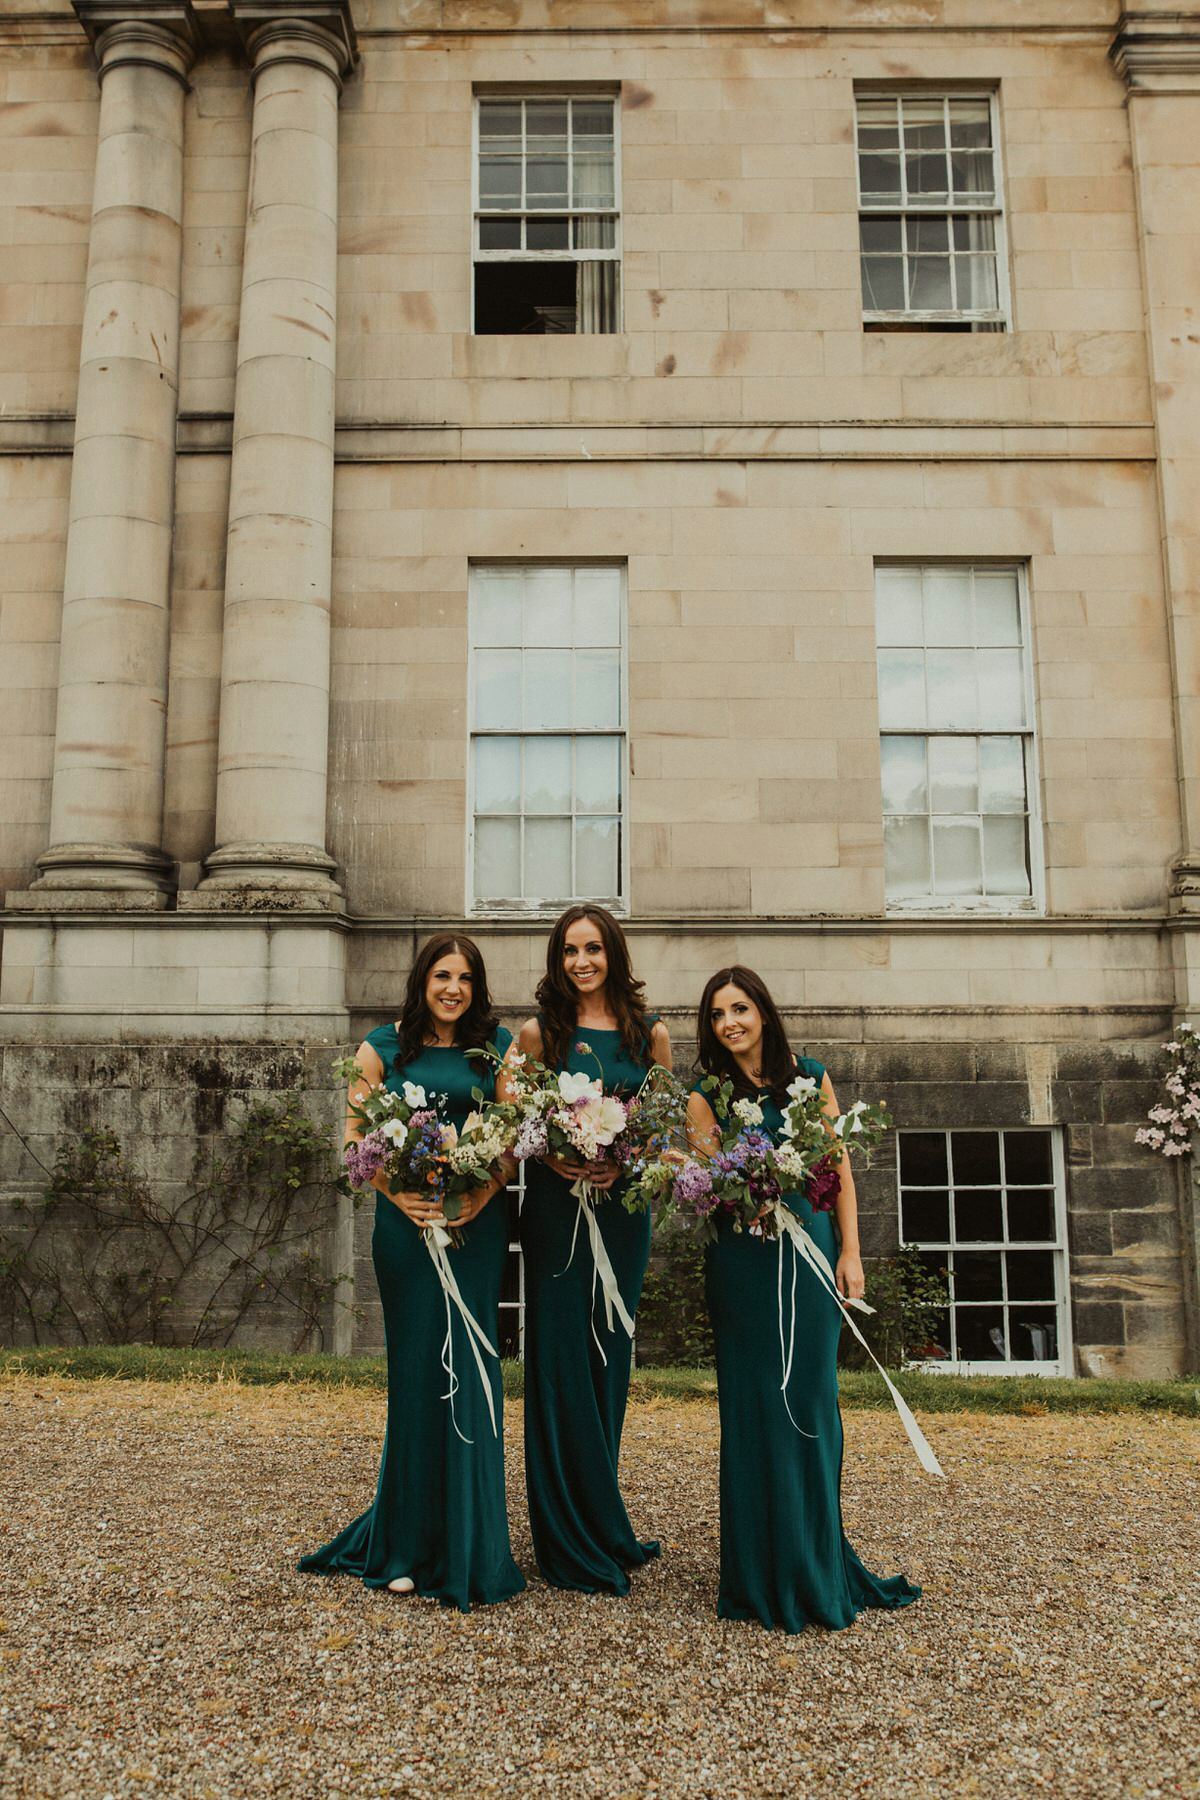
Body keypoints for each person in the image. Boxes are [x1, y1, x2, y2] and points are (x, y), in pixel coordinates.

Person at [687, 964, 921, 1632]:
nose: (729, 1024)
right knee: (755, 1403)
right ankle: (759, 1573)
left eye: (739, 1009)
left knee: (812, 1399)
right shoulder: (703, 1093)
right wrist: (741, 1189)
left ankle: (816, 1562)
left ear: (763, 1010)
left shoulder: (809, 1074)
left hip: (811, 1247)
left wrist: (850, 1252)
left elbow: (837, 1167)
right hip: (742, 1261)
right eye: (716, 1015)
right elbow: (706, 1182)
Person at [299, 933, 525, 1612]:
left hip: (476, 1231)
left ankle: (472, 1545)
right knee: (418, 1374)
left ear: (477, 985)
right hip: (405, 1229)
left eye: (464, 977)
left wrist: (476, 1199)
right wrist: (406, 1196)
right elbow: (351, 1143)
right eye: (441, 975)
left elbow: (512, 1141)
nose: (452, 987)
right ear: (422, 980)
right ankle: (404, 1544)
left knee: (473, 1373)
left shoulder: (499, 1048)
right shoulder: (383, 1046)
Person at [502, 904, 671, 1593]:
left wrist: (625, 1162)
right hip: (555, 1216)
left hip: (621, 1214)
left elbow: (662, 1132)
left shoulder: (649, 1036)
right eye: (570, 950)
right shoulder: (538, 1034)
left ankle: (603, 1523)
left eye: (593, 949)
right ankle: (563, 1537)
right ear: (556, 959)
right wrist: (553, 1156)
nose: (581, 962)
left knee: (608, 1359)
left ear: (613, 955)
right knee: (559, 1361)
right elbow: (511, 1120)